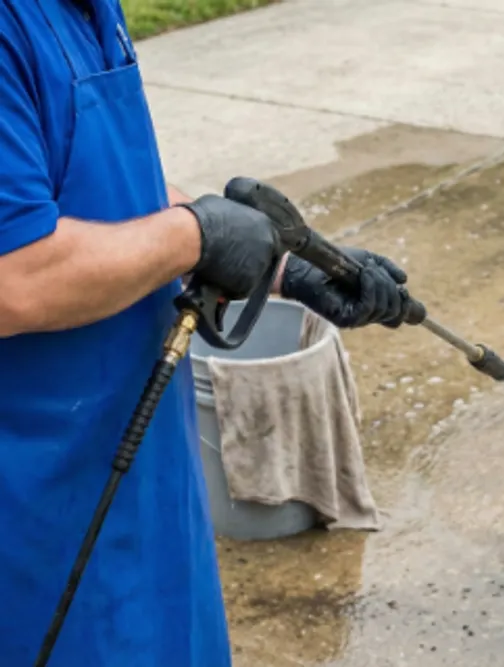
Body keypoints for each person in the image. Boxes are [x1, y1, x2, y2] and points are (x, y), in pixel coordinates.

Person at [0, 2, 409, 665]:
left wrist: (280, 264)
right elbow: (13, 277)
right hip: (38, 504)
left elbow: (107, 188)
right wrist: (195, 235)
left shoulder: (90, 9)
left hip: (143, 472)